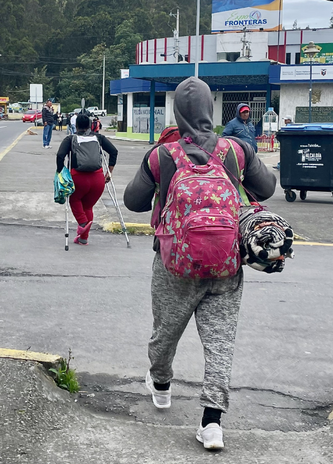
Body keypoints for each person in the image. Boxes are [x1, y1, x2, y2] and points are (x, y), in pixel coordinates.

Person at [123, 77, 276, 451]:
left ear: (177, 111)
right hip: (226, 265)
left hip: (173, 264)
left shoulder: (161, 155)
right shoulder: (235, 151)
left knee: (165, 334)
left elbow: (133, 202)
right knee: (220, 344)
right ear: (211, 110)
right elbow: (267, 188)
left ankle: (160, 385)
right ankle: (212, 424)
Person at [55, 114, 118, 245]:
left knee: (74, 199)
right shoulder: (98, 138)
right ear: (90, 126)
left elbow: (60, 156)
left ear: (76, 125)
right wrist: (109, 172)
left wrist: (61, 173)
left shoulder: (70, 139)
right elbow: (114, 151)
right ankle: (83, 238)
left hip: (79, 178)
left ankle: (82, 222)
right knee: (88, 207)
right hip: (98, 179)